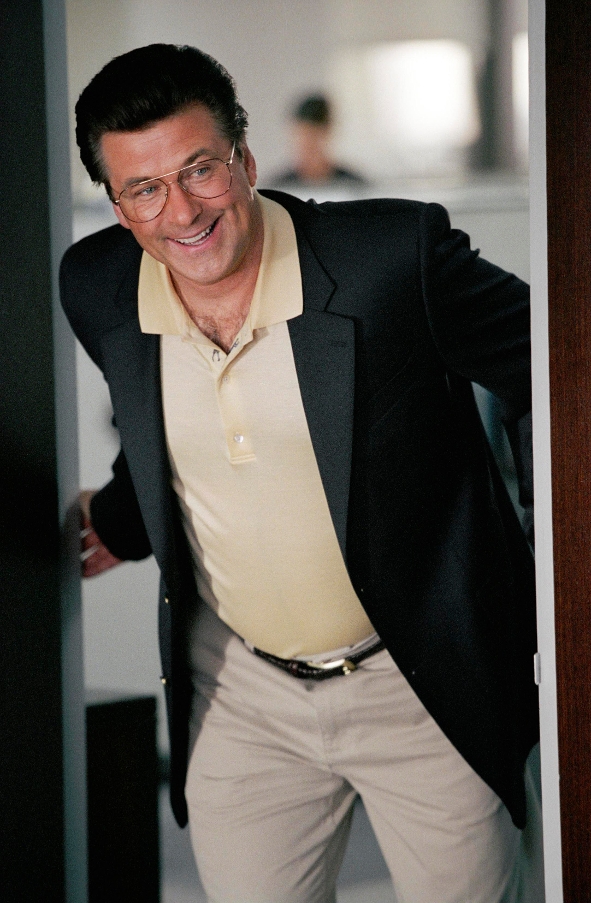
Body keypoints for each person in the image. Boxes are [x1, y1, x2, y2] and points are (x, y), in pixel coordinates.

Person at [62, 43, 538, 903]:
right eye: (144, 189)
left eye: (199, 170)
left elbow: (557, 369)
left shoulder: (389, 259)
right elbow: (167, 425)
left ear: (244, 159)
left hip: (419, 686)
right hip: (242, 694)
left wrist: (552, 545)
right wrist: (122, 519)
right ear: (117, 204)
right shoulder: (97, 287)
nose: (182, 211)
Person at [267, 93, 367, 190]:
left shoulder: (352, 186)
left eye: (312, 135)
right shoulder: (279, 188)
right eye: (299, 136)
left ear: (327, 134)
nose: (305, 144)